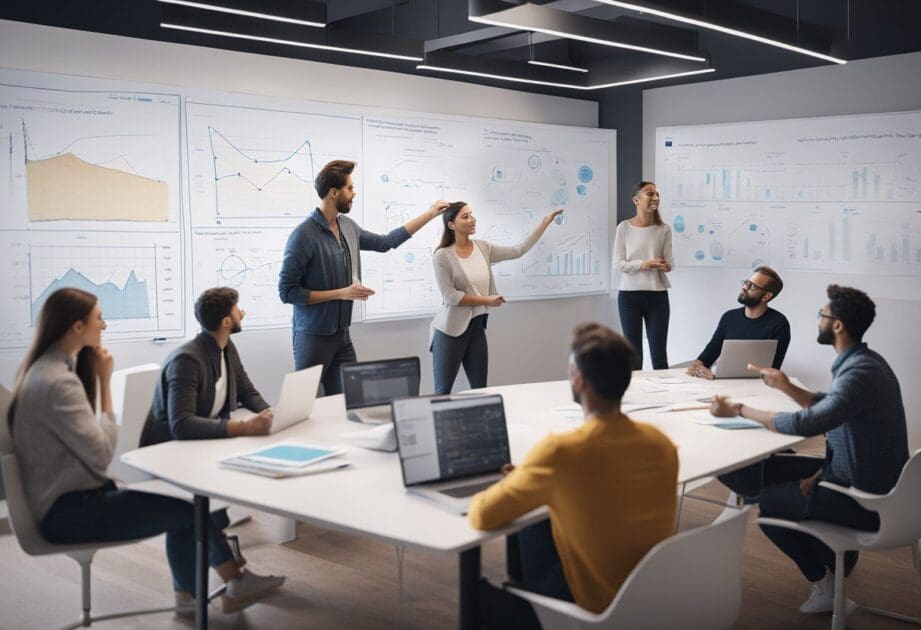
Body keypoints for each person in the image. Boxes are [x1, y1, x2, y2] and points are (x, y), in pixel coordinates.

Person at [8, 288, 283, 617]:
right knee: (191, 511)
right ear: (76, 327)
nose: (105, 326)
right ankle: (230, 582)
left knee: (191, 508)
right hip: (70, 513)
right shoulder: (57, 382)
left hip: (69, 503)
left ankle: (197, 593)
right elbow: (100, 454)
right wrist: (105, 384)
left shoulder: (43, 371)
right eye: (99, 319)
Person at [710, 285, 908, 615]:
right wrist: (785, 385)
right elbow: (832, 409)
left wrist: (739, 410)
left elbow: (806, 424)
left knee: (770, 506)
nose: (818, 321)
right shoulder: (867, 362)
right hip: (860, 478)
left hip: (866, 498)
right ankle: (833, 553)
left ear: (838, 325)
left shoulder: (858, 373)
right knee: (762, 473)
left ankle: (828, 585)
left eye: (822, 316)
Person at [468, 323, 679, 628]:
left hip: (593, 610)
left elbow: (482, 516)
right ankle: (525, 590)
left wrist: (517, 481)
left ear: (578, 379)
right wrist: (531, 480)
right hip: (648, 596)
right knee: (540, 520)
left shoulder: (561, 452)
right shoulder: (660, 443)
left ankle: (528, 603)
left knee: (475, 595)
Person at [278, 159, 448, 395]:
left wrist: (430, 214)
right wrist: (343, 293)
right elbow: (287, 292)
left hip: (342, 337)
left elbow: (386, 242)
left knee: (352, 400)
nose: (353, 193)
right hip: (312, 337)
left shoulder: (347, 226)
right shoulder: (303, 236)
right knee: (307, 403)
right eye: (350, 188)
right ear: (333, 193)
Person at [430, 202, 563, 394]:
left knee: (480, 391)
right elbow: (450, 296)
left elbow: (518, 250)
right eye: (465, 216)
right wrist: (487, 300)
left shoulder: (483, 247)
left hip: (476, 327)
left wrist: (545, 222)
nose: (472, 219)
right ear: (451, 225)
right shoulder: (442, 255)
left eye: (471, 214)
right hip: (450, 331)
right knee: (443, 391)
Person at [141, 287, 273, 445]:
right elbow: (182, 424)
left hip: (202, 441)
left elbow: (246, 391)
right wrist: (244, 427)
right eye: (237, 308)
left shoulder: (227, 347)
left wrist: (271, 415)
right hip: (169, 447)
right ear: (226, 322)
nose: (241, 313)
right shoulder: (186, 360)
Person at [686, 265, 791, 379]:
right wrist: (699, 368)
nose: (744, 288)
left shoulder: (779, 324)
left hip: (758, 388)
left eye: (752, 286)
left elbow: (773, 371)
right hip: (723, 384)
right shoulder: (729, 318)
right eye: (746, 283)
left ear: (766, 296)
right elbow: (704, 359)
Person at [613, 181, 673, 370]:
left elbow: (670, 263)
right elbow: (618, 264)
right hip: (629, 297)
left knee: (659, 356)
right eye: (650, 194)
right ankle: (637, 397)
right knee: (633, 357)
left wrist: (665, 266)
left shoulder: (664, 230)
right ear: (636, 200)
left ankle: (664, 396)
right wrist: (645, 264)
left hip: (658, 297)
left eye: (657, 194)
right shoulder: (624, 228)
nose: (655, 198)